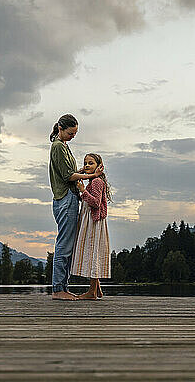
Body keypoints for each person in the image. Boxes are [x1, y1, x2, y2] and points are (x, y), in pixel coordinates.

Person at [49, 114, 103, 301]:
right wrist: (91, 176)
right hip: (65, 199)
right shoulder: (57, 146)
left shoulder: (64, 146)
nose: (73, 136)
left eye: (75, 133)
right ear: (61, 129)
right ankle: (58, 289)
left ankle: (62, 287)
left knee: (68, 245)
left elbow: (71, 172)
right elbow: (67, 176)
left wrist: (82, 172)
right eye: (71, 133)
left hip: (69, 199)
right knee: (64, 245)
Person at [71, 153, 112, 300]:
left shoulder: (96, 182)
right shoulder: (94, 180)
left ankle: (91, 293)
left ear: (98, 166)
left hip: (93, 222)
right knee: (93, 251)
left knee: (93, 252)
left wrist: (82, 191)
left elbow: (95, 202)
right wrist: (82, 172)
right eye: (85, 163)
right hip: (91, 221)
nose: (87, 166)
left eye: (91, 163)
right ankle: (98, 289)